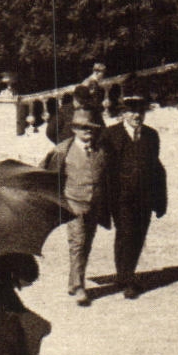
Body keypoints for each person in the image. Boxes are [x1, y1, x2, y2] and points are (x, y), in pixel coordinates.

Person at [43, 109, 112, 306]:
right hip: (73, 203)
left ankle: (73, 282)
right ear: (74, 129)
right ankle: (80, 286)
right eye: (82, 128)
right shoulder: (63, 150)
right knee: (78, 243)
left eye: (90, 128)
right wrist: (58, 202)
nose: (87, 131)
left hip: (94, 204)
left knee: (86, 244)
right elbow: (49, 176)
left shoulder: (100, 150)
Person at [102, 96, 168, 298]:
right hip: (121, 197)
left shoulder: (151, 135)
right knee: (126, 233)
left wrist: (160, 200)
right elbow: (104, 168)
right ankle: (127, 277)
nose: (136, 115)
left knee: (138, 235)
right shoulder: (111, 134)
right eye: (131, 111)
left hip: (145, 196)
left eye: (140, 111)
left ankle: (124, 274)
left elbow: (156, 168)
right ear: (123, 114)